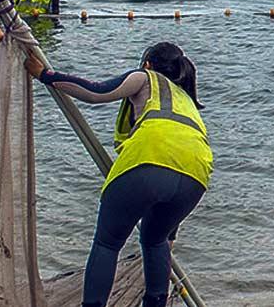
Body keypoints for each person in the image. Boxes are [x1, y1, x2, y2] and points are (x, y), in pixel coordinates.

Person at [25, 42, 211, 307]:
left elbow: (95, 92)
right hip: (197, 174)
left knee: (108, 242)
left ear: (148, 64)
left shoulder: (145, 77)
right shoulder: (187, 101)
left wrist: (46, 75)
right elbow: (181, 153)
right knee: (156, 239)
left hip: (149, 158)